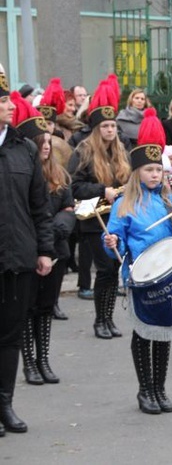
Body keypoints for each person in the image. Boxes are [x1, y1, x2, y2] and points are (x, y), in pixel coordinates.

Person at [104, 112, 172, 415]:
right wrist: (112, 244)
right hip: (140, 277)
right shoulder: (123, 205)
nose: (154, 175)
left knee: (163, 333)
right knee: (143, 333)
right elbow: (116, 242)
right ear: (137, 173)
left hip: (166, 277)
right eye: (149, 170)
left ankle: (160, 388)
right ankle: (144, 390)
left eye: (158, 171)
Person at [0, 68, 54, 436]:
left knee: (10, 336)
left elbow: (40, 205)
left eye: (5, 98)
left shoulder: (25, 149)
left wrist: (45, 250)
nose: (7, 105)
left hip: (18, 256)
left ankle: (4, 403)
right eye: (1, 101)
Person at [11, 92, 75, 386]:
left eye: (49, 143)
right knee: (27, 309)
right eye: (42, 143)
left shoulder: (60, 174)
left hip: (55, 245)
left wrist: (61, 224)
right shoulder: (21, 170)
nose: (47, 148)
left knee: (46, 307)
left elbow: (69, 207)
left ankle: (43, 359)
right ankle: (29, 364)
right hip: (29, 248)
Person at [68, 76, 131, 340]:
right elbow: (74, 187)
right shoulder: (83, 151)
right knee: (105, 268)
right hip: (94, 217)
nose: (110, 130)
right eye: (105, 126)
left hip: (116, 216)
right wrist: (100, 190)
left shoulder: (121, 150)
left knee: (113, 270)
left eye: (112, 125)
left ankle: (108, 318)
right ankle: (99, 321)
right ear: (96, 129)